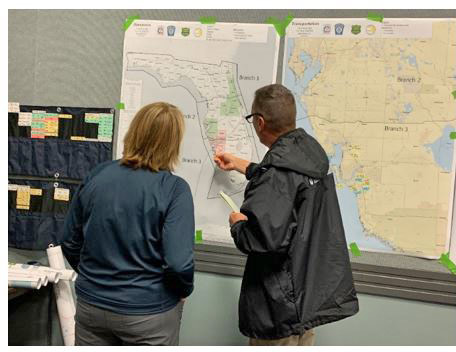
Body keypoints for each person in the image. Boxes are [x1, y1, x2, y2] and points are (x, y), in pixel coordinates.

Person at [213, 83, 359, 346]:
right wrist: (243, 165)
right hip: (305, 298)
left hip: (278, 307)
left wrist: (237, 225)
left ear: (259, 122)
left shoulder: (277, 176)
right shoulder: (309, 154)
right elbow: (288, 185)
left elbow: (260, 239)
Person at [61, 102, 194, 346]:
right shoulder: (174, 189)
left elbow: (69, 239)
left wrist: (96, 279)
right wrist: (183, 290)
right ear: (173, 143)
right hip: (148, 314)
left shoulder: (98, 174)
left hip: (92, 308)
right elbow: (178, 263)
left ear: (134, 133)